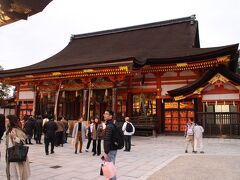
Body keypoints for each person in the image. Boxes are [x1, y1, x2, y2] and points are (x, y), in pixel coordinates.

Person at [5, 115, 30, 180]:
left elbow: (22, 142)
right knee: (12, 173)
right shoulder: (8, 129)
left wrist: (15, 137)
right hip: (11, 154)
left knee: (16, 174)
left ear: (11, 121)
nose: (5, 120)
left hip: (16, 155)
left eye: (7, 119)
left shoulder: (17, 130)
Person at [103, 110, 118, 180]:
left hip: (110, 150)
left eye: (106, 114)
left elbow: (107, 140)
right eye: (104, 114)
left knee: (110, 169)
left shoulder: (109, 126)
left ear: (110, 116)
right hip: (113, 149)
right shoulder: (112, 125)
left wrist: (106, 152)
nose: (104, 115)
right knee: (111, 167)